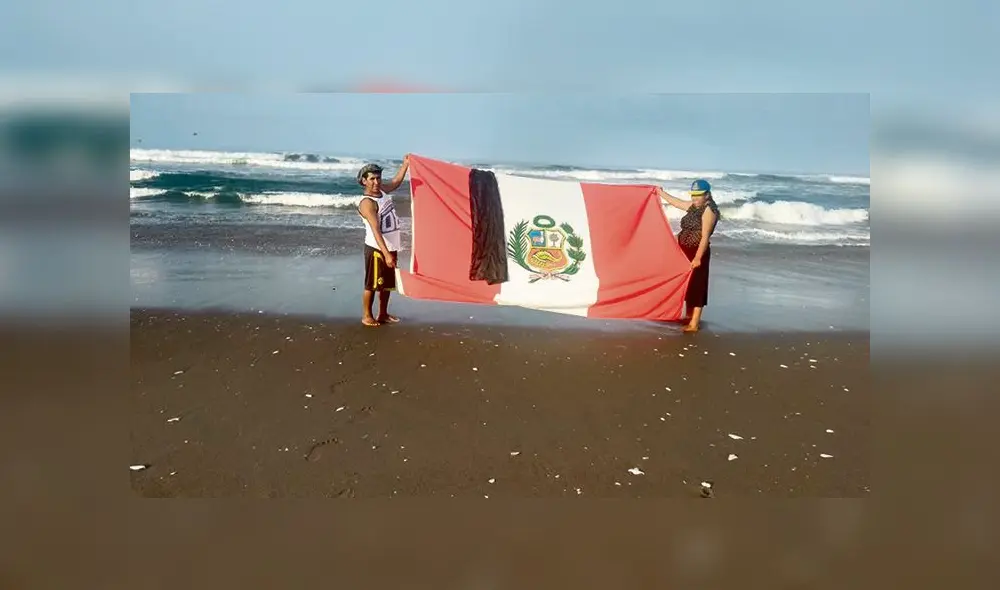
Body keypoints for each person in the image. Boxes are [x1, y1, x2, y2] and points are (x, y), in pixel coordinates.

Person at [656, 179, 720, 332]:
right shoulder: (694, 207)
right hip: (685, 252)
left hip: (698, 252)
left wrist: (698, 258)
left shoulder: (709, 210)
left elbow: (705, 237)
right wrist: (660, 193)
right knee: (688, 285)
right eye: (693, 195)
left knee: (697, 286)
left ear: (707, 195)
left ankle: (694, 323)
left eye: (698, 195)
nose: (695, 198)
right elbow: (676, 202)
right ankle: (688, 316)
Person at [357, 155, 410, 326]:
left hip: (390, 246)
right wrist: (386, 254)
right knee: (372, 285)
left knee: (386, 285)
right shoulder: (367, 202)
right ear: (364, 181)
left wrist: (405, 165)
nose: (376, 182)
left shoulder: (382, 192)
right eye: (372, 179)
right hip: (376, 249)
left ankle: (383, 314)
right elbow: (376, 230)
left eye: (378, 178)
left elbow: (395, 182)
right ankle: (367, 316)